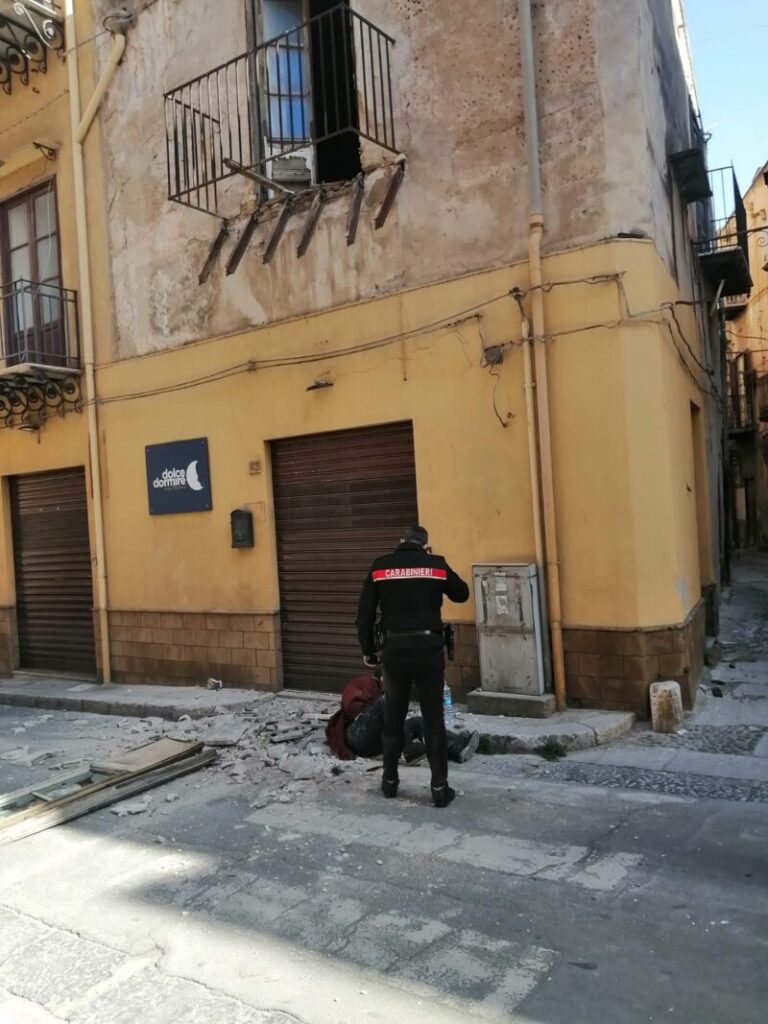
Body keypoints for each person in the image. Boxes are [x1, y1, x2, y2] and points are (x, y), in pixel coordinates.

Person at [355, 525, 470, 807]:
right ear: (424, 544)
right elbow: (462, 593)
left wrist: (369, 651)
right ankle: (440, 788)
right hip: (429, 653)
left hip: (395, 654)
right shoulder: (435, 565)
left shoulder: (381, 567)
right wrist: (431, 564)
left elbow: (364, 615)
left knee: (394, 717)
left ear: (401, 541)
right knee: (434, 720)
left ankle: (390, 782)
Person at [325, 668, 480, 765]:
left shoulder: (381, 693)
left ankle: (457, 747)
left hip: (374, 742)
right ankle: (407, 750)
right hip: (356, 736)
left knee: (418, 722)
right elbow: (349, 704)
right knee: (387, 702)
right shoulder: (366, 683)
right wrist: (368, 711)